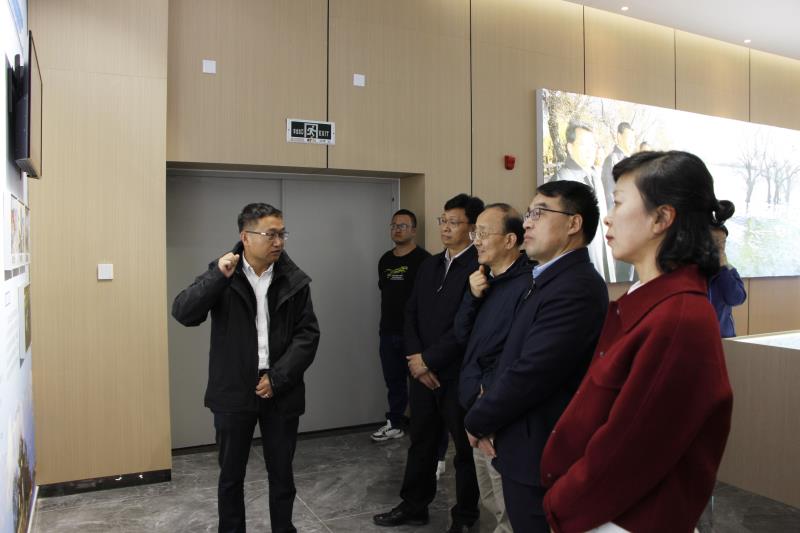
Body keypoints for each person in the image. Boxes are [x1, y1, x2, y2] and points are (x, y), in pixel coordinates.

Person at [541, 151, 735, 533]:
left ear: (661, 218)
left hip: (622, 519)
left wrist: (560, 506)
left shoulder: (678, 319)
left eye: (618, 202)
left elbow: (627, 451)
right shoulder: (648, 298)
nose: (608, 217)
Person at [463, 182, 609, 532]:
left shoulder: (575, 287)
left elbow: (532, 372)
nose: (527, 222)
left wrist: (478, 419)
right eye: (528, 213)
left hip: (541, 452)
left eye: (539, 213)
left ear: (573, 223)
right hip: (520, 443)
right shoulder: (545, 280)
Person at [172, 203, 320, 533]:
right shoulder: (223, 273)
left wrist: (277, 378)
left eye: (282, 234)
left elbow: (308, 335)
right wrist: (216, 277)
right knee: (231, 476)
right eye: (271, 234)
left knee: (282, 474)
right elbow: (183, 313)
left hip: (280, 388)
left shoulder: (293, 279)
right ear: (246, 237)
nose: (278, 242)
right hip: (233, 388)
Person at [374, 194, 483, 533]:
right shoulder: (430, 264)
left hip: (456, 374)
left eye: (454, 222)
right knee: (421, 440)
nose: (445, 228)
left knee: (464, 449)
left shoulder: (479, 267)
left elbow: (466, 325)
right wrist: (415, 359)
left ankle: (465, 516)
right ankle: (414, 506)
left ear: (472, 228)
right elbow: (411, 312)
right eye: (443, 221)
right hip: (421, 372)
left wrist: (429, 360)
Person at [454, 203, 531, 533]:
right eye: (476, 233)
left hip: (496, 412)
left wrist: (487, 407)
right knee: (489, 502)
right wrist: (472, 296)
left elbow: (513, 355)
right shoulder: (485, 280)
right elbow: (462, 336)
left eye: (484, 233)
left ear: (510, 240)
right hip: (476, 406)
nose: (477, 241)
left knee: (508, 510)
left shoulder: (527, 285)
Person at [372, 209, 430, 442]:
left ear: (413, 230)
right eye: (394, 225)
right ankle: (395, 423)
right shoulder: (385, 260)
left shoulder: (424, 260)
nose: (397, 229)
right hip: (388, 331)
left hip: (415, 335)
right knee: (393, 381)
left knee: (420, 383)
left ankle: (424, 430)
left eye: (403, 226)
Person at [552, 121, 613, 281]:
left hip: (602, 256)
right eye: (583, 145)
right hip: (577, 268)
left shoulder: (594, 175)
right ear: (570, 147)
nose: (590, 151)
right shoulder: (561, 180)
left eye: (592, 145)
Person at [709, 223, 746, 337]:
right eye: (716, 241)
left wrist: (723, 270)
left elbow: (737, 299)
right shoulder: (693, 271)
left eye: (723, 242)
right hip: (702, 336)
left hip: (724, 336)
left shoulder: (729, 269)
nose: (721, 247)